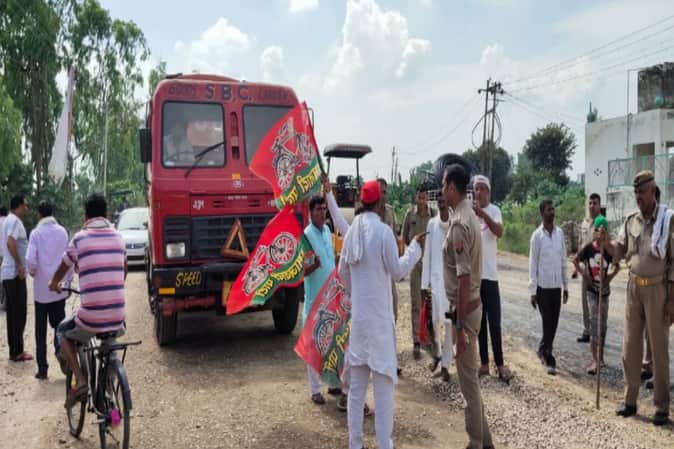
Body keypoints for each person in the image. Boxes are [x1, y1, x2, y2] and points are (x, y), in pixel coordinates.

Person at [339, 180, 424, 449]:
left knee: (356, 392)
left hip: (360, 323)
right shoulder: (384, 232)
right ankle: (384, 444)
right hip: (379, 325)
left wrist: (356, 294)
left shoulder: (352, 231)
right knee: (384, 390)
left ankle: (355, 444)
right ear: (378, 203)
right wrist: (415, 249)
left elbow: (342, 272)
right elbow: (397, 271)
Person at [600, 171, 673, 426]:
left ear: (653, 192)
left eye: (642, 192)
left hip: (657, 289)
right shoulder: (631, 221)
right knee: (630, 347)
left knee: (659, 350)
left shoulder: (667, 220)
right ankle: (629, 400)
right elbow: (619, 251)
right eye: (636, 193)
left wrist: (672, 299)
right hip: (633, 288)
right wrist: (606, 243)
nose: (638, 197)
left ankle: (661, 406)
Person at [49, 193, 127, 408]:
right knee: (108, 343)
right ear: (106, 214)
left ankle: (81, 380)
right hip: (118, 317)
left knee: (62, 332)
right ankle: (109, 391)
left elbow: (64, 266)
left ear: (86, 216)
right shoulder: (119, 237)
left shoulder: (80, 239)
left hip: (91, 318)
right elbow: (124, 270)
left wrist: (54, 282)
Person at [442, 164, 494, 449]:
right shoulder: (466, 215)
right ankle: (486, 442)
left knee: (468, 385)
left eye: (443, 186)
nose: (441, 191)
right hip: (470, 306)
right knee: (470, 380)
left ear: (452, 187)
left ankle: (475, 442)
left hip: (466, 310)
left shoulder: (461, 223)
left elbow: (463, 279)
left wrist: (459, 328)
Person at [473, 175, 512, 383]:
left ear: (488, 191)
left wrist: (483, 215)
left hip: (490, 276)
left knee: (495, 321)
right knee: (480, 322)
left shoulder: (494, 210)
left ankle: (500, 363)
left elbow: (499, 232)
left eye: (482, 188)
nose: (478, 192)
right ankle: (484, 363)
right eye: (476, 189)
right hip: (475, 277)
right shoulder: (469, 213)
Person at [26, 200, 70, 379]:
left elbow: (30, 260)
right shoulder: (63, 232)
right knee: (60, 326)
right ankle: (61, 353)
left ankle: (42, 369)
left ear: (38, 214)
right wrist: (67, 282)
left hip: (41, 291)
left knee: (40, 331)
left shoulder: (35, 234)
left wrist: (34, 273)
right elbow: (68, 259)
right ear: (52, 213)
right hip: (59, 288)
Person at [573, 215, 619, 376]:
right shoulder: (589, 248)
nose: (601, 232)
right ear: (595, 231)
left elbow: (617, 265)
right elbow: (575, 260)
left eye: (604, 230)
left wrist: (609, 278)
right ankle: (594, 360)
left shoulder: (609, 250)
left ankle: (601, 357)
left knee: (603, 325)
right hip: (592, 291)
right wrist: (584, 275)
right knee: (594, 324)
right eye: (599, 229)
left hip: (604, 292)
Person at [528, 198, 569, 376]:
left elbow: (563, 261)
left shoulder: (559, 234)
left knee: (554, 322)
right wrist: (532, 291)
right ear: (542, 213)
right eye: (548, 210)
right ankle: (548, 356)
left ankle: (542, 349)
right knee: (547, 323)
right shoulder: (537, 236)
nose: (552, 212)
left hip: (556, 287)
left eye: (553, 209)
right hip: (542, 288)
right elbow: (532, 264)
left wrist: (566, 286)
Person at [420, 192, 452, 383]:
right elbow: (427, 256)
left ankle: (446, 365)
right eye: (439, 201)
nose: (441, 203)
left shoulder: (456, 223)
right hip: (435, 281)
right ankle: (438, 355)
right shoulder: (432, 224)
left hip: (450, 285)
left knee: (449, 324)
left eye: (444, 200)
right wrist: (425, 285)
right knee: (434, 324)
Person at [402, 186, 435, 359]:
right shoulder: (410, 214)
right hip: (415, 265)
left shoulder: (434, 215)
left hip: (429, 264)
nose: (421, 201)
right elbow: (404, 237)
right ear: (416, 198)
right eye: (419, 197)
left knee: (427, 302)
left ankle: (427, 339)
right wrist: (414, 249)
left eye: (424, 198)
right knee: (415, 302)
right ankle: (416, 340)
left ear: (427, 198)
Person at [1, 195, 33, 362]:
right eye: (25, 206)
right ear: (19, 206)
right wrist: (20, 265)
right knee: (19, 313)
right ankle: (18, 351)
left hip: (8, 272)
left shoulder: (8, 220)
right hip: (14, 273)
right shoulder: (14, 221)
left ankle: (14, 350)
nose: (26, 209)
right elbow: (10, 242)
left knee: (13, 314)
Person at [576, 193, 602, 343]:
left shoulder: (602, 223)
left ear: (599, 205)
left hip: (597, 268)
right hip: (585, 266)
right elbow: (580, 244)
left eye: (595, 203)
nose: (592, 206)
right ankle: (587, 330)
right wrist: (577, 266)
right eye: (590, 203)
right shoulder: (584, 223)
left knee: (597, 301)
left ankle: (597, 332)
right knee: (585, 300)